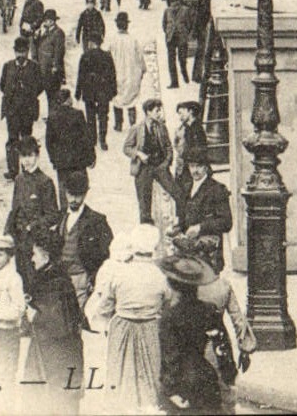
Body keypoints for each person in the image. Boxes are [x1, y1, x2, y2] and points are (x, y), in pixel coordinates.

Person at [88, 225, 172, 413]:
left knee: (120, 374)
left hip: (122, 327)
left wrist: (102, 319)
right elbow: (168, 304)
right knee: (149, 374)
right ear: (154, 248)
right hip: (150, 327)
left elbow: (106, 305)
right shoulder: (160, 276)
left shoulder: (119, 273)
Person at [22, 221, 86, 415]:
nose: (32, 259)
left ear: (46, 255)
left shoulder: (54, 282)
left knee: (52, 400)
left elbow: (57, 323)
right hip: (60, 353)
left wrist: (32, 314)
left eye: (35, 254)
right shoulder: (56, 277)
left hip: (55, 356)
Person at [157, 251, 229, 413]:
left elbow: (170, 355)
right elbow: (222, 345)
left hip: (182, 382)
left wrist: (170, 390)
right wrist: (227, 374)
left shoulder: (169, 315)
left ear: (172, 284)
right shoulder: (209, 310)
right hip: (206, 375)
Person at [54, 170, 113, 315]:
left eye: (78, 195)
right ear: (65, 192)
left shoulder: (97, 221)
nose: (73, 199)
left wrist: (93, 279)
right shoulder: (59, 217)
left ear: (85, 194)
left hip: (81, 279)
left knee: (77, 319)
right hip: (60, 278)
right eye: (70, 194)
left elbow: (107, 255)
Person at [4, 137, 58, 290]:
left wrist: (32, 227)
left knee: (36, 286)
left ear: (37, 156)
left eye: (30, 156)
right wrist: (7, 232)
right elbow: (14, 210)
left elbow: (53, 215)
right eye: (23, 156)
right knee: (20, 284)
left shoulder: (45, 182)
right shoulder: (19, 180)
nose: (26, 161)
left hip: (37, 243)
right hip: (20, 242)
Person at [0, 233, 27, 392]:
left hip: (7, 332)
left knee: (7, 373)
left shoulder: (13, 278)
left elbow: (19, 308)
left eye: (0, 254)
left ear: (9, 256)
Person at [124, 97, 178, 226]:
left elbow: (169, 147)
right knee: (144, 201)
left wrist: (166, 163)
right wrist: (138, 154)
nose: (159, 113)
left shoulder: (161, 127)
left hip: (160, 166)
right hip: (143, 168)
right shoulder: (137, 128)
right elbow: (126, 148)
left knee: (176, 192)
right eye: (157, 111)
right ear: (148, 112)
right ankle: (146, 228)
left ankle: (181, 220)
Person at [178, 149, 233, 271]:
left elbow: (226, 222)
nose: (195, 170)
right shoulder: (186, 188)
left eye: (199, 166)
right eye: (192, 166)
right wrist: (177, 228)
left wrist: (200, 227)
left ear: (207, 167)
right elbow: (184, 218)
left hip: (209, 256)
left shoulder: (217, 189)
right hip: (188, 253)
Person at [0, 36, 44, 180]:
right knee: (12, 140)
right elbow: (2, 85)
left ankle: (27, 169)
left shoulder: (34, 67)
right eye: (18, 52)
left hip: (27, 110)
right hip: (12, 110)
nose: (20, 55)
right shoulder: (8, 66)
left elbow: (40, 86)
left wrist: (28, 94)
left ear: (27, 52)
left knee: (26, 139)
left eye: (23, 52)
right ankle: (13, 170)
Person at [45, 88, 96, 202]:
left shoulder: (52, 117)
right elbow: (86, 138)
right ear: (68, 100)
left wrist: (54, 160)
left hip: (62, 163)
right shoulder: (78, 114)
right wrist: (91, 157)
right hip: (78, 162)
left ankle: (65, 215)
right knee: (79, 190)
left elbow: (49, 142)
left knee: (64, 192)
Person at [75, 30, 118, 154]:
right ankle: (103, 140)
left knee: (90, 116)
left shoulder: (85, 56)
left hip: (89, 91)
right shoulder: (107, 56)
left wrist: (78, 92)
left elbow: (81, 76)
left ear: (91, 43)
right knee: (103, 116)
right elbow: (112, 75)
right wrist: (113, 90)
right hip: (103, 92)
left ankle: (92, 139)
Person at [109, 11, 146, 133]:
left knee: (117, 98)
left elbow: (107, 57)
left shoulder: (112, 40)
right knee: (132, 100)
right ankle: (132, 124)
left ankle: (118, 124)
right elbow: (140, 58)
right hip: (131, 74)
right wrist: (142, 70)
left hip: (116, 73)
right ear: (127, 25)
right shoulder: (133, 40)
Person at [172, 100, 209, 205]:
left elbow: (200, 149)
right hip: (186, 166)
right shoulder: (187, 127)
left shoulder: (196, 129)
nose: (180, 116)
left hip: (192, 167)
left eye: (182, 112)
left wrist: (185, 154)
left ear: (191, 112)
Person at [162, 0, 198, 89]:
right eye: (173, 2)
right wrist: (168, 32)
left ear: (179, 2)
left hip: (182, 37)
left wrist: (186, 33)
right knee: (171, 61)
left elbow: (190, 23)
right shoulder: (167, 11)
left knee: (182, 59)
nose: (174, 4)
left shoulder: (185, 10)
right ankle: (174, 82)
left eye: (176, 1)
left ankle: (184, 73)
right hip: (170, 38)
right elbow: (164, 24)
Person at [35, 9, 67, 111]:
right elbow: (38, 47)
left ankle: (53, 118)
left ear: (53, 21)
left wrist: (56, 66)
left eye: (49, 20)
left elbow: (59, 51)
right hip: (43, 69)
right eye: (45, 20)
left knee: (53, 96)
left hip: (52, 71)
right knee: (49, 95)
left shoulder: (58, 33)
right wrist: (36, 37)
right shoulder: (45, 32)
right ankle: (51, 116)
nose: (46, 22)